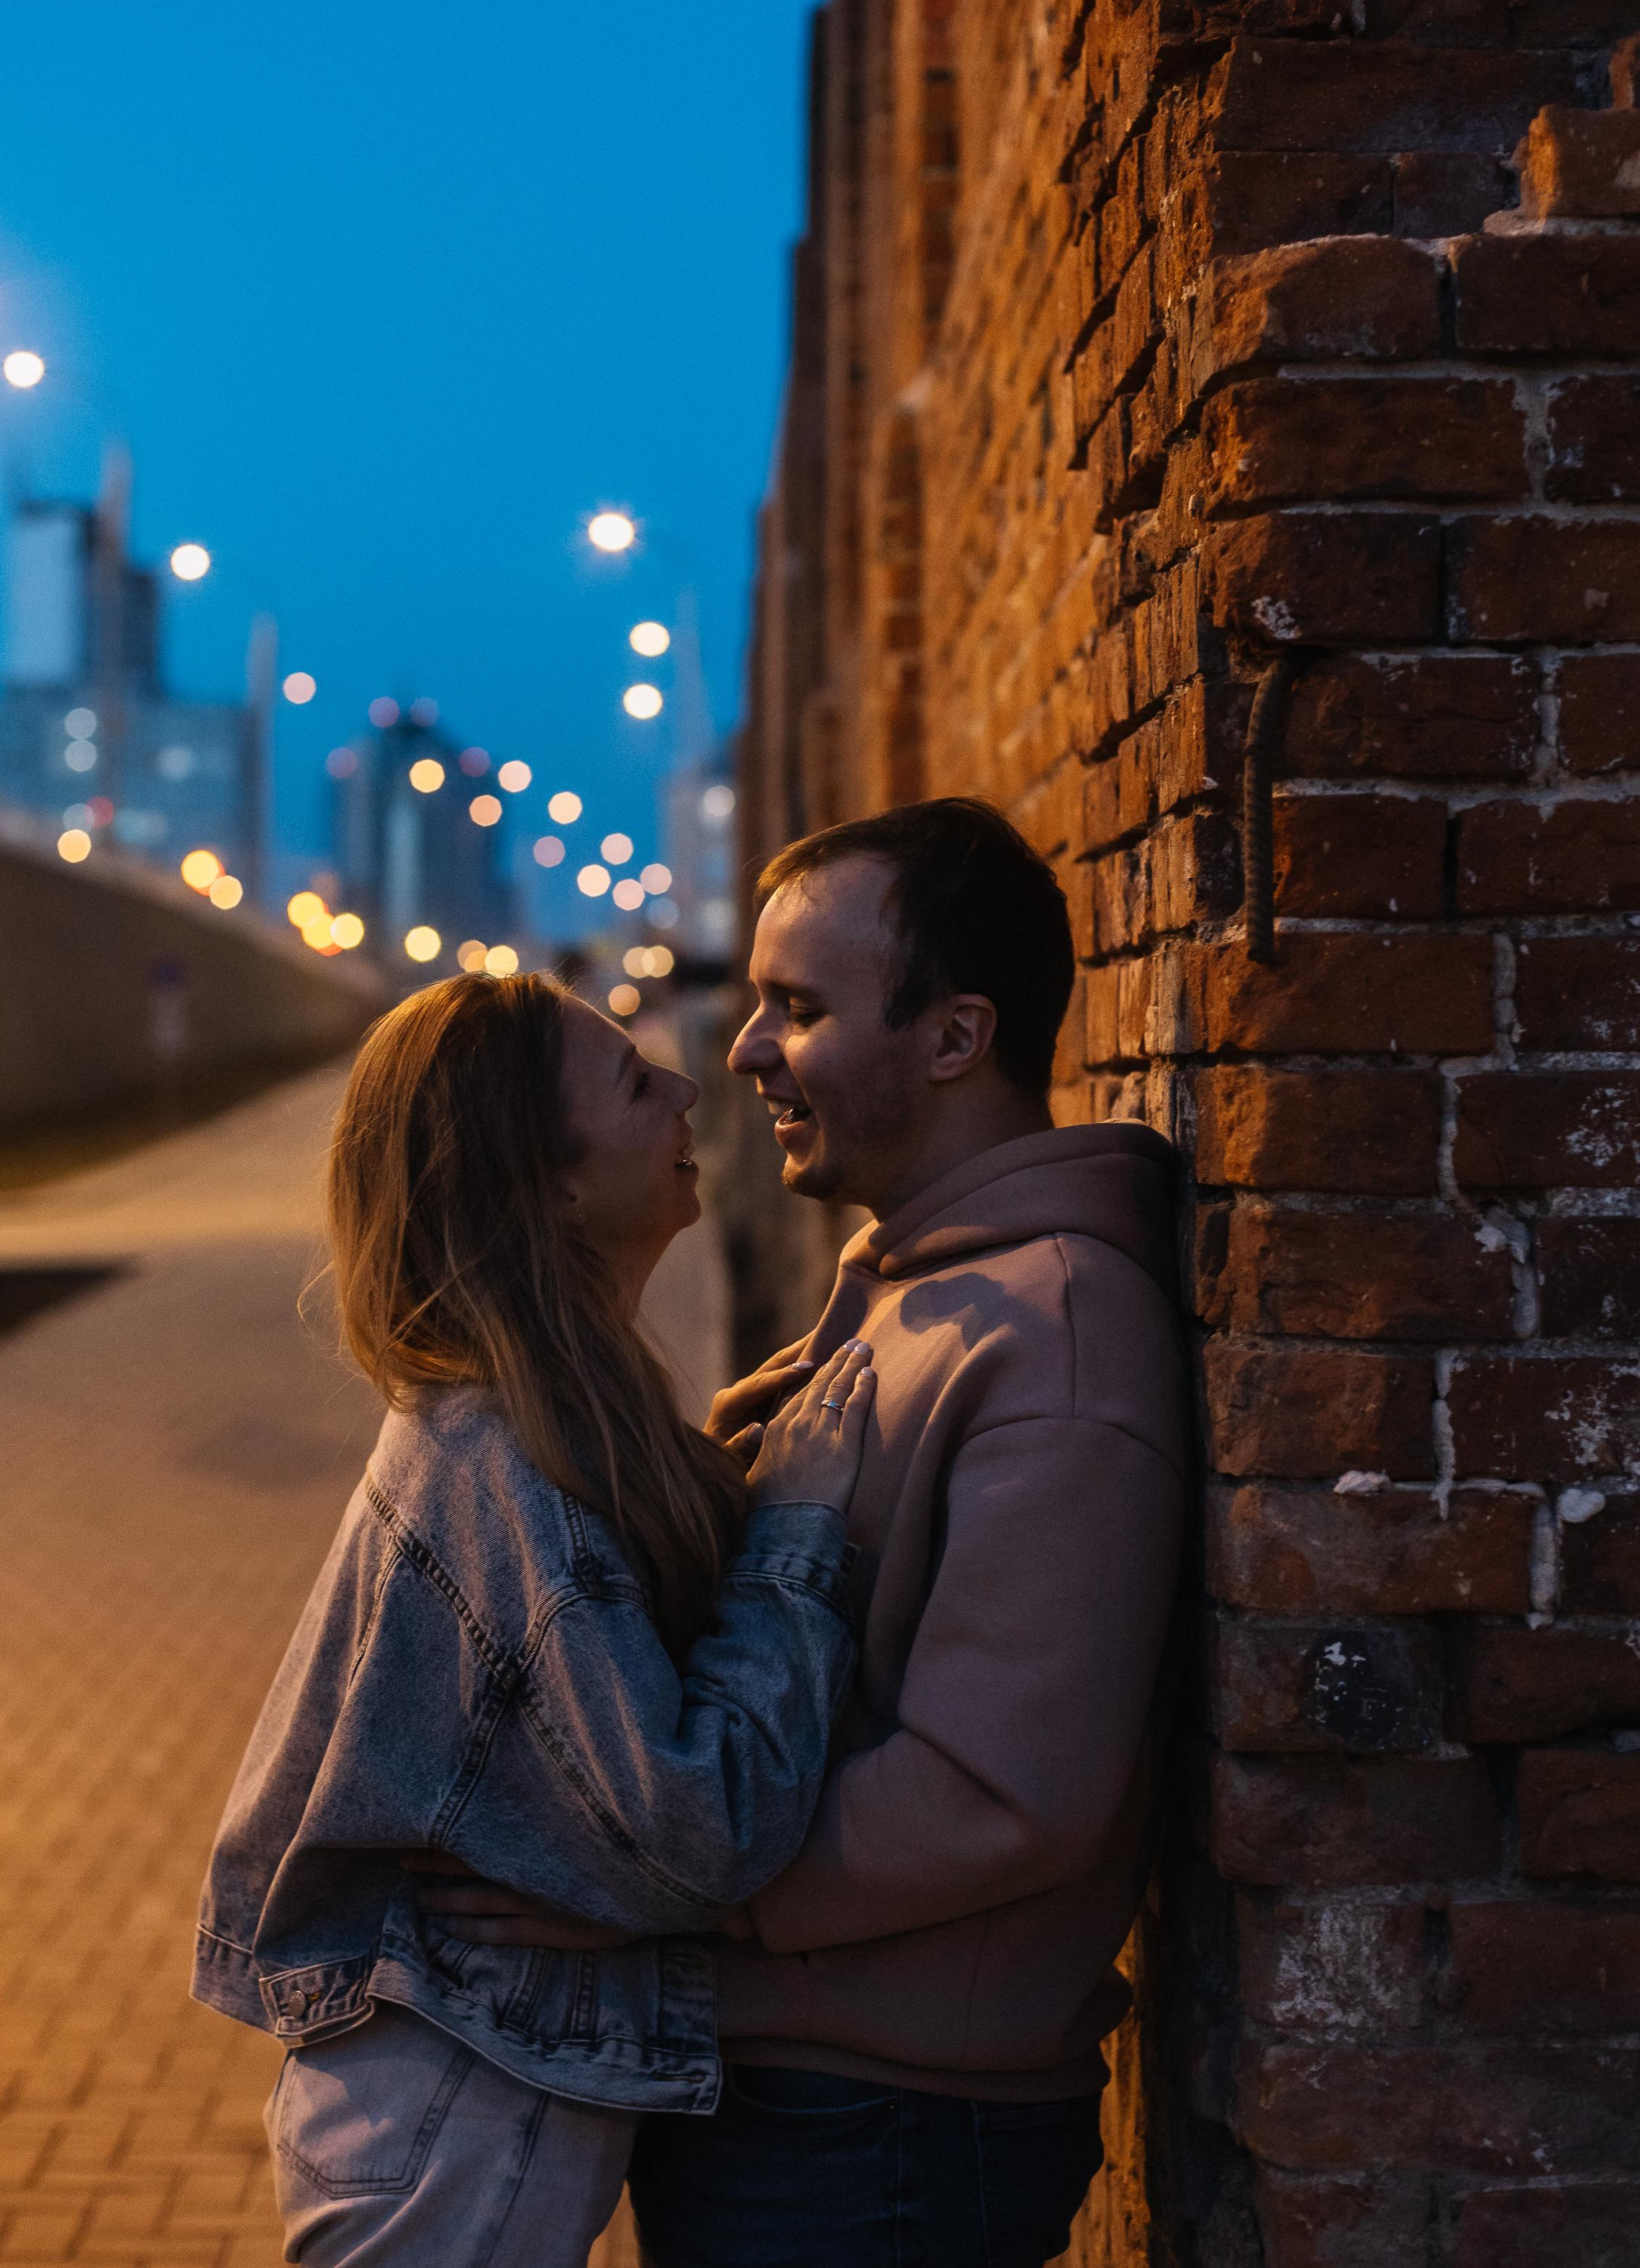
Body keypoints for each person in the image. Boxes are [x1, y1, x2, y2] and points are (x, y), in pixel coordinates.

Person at [419, 798, 1190, 2268]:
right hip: (811, 2089)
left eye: (798, 1007)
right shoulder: (916, 1291)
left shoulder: (1056, 1344)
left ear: (955, 1037)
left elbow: (1002, 1791)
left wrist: (654, 1887)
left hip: (887, 2123)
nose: (745, 1050)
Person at [189, 969, 878, 2268]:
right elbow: (697, 1830)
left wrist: (736, 1466)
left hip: (452, 2096)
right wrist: (798, 1529)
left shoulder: (561, 1423)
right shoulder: (498, 1466)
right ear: (546, 1185)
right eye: (632, 1079)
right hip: (438, 2122)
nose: (690, 1083)